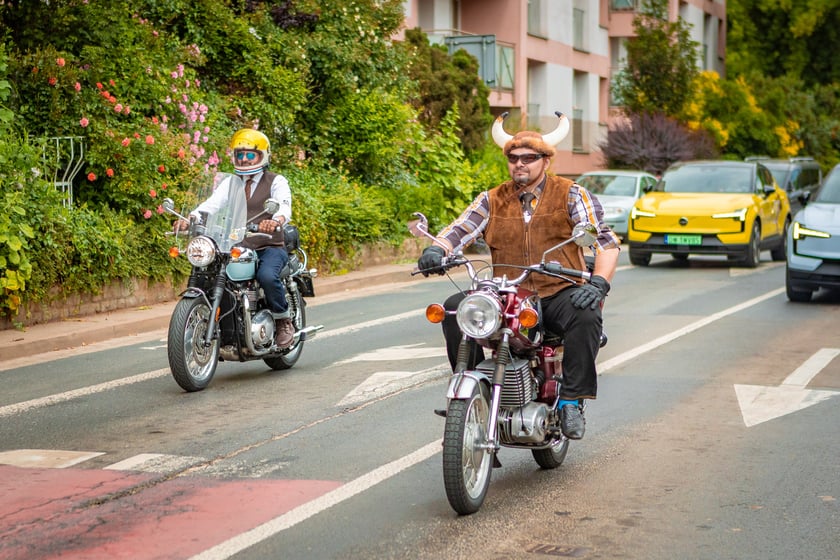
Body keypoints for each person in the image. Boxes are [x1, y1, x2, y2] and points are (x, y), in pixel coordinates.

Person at [416, 113, 621, 440]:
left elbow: (605, 242)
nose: (520, 164)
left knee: (586, 314)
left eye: (529, 158)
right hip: (506, 293)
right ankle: (469, 396)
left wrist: (598, 283)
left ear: (546, 160)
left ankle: (570, 400)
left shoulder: (570, 194)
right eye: (513, 158)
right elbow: (460, 229)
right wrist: (437, 250)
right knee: (455, 309)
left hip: (557, 291)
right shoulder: (492, 199)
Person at [173, 128, 295, 348]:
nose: (244, 159)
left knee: (267, 275)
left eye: (250, 155)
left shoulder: (276, 181)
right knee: (209, 275)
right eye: (240, 155)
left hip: (269, 245)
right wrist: (190, 218)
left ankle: (283, 320)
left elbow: (284, 205)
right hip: (238, 244)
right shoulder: (231, 183)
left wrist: (276, 220)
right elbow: (212, 204)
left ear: (262, 156)